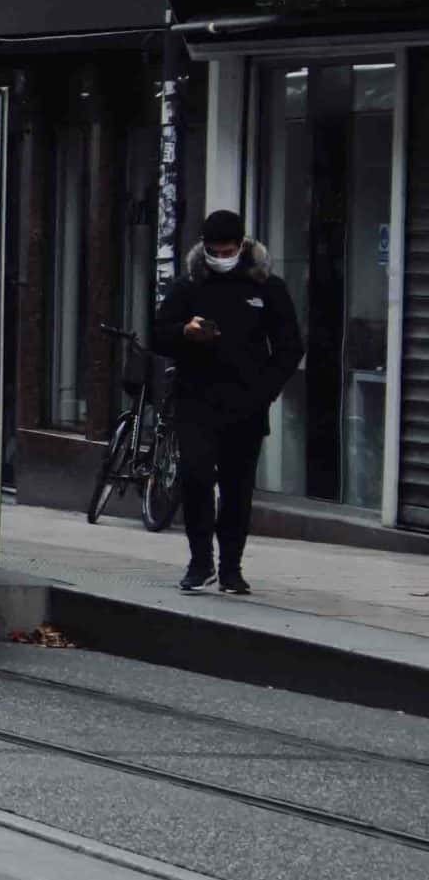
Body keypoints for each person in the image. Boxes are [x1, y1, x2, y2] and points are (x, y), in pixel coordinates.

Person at [152, 209, 304, 595]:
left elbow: (290, 348)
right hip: (196, 401)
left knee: (238, 489)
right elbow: (158, 334)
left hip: (246, 404)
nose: (222, 256)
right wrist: (186, 333)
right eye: (215, 250)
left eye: (229, 249)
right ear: (203, 248)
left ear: (242, 246)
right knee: (196, 477)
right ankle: (200, 561)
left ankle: (231, 567)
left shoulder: (267, 287)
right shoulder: (188, 286)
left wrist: (264, 390)